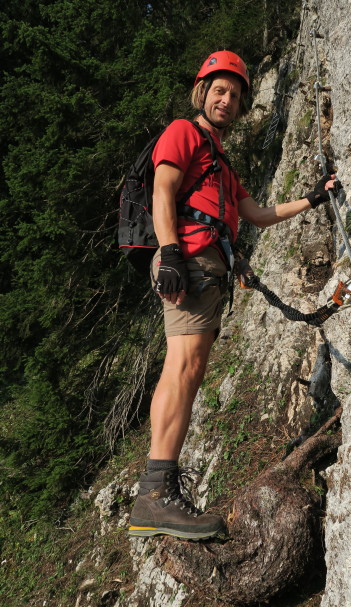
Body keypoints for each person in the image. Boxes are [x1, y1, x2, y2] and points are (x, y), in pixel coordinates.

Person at [128, 51, 338, 540]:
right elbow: (163, 193)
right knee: (183, 367)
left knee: (187, 367)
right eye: (220, 90)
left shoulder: (220, 161)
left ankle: (156, 491)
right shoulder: (183, 132)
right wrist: (171, 253)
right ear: (203, 91)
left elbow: (258, 214)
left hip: (207, 266)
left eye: (236, 94)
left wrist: (312, 197)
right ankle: (155, 494)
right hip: (190, 262)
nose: (228, 99)